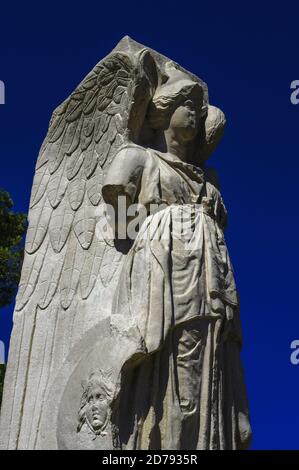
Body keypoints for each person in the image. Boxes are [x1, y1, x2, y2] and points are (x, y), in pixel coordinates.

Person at [101, 65, 252, 450]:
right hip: (163, 274)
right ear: (166, 111)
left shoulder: (208, 180)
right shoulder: (138, 158)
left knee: (210, 366)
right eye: (190, 107)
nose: (197, 118)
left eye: (201, 113)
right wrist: (169, 225)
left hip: (210, 282)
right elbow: (121, 223)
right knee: (169, 365)